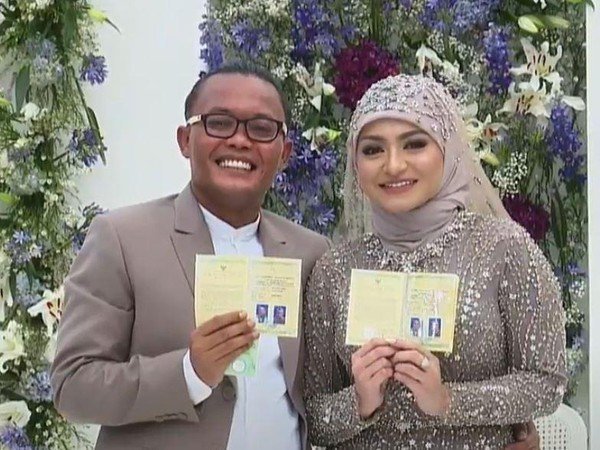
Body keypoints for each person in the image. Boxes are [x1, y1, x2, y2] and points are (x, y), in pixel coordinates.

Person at [50, 62, 329, 450]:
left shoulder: (310, 252)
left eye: (261, 128)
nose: (240, 140)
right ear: (185, 140)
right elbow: (73, 387)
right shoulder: (122, 238)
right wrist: (189, 373)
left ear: (284, 153)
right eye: (219, 123)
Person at [303, 74, 566, 449]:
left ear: (448, 148)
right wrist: (358, 402)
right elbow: (312, 417)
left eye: (414, 144)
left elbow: (547, 383)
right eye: (373, 150)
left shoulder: (504, 249)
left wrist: (447, 400)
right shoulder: (336, 269)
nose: (394, 165)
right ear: (355, 164)